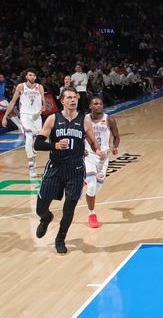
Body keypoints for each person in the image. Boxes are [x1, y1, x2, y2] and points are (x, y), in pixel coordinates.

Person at [34, 87, 104, 253]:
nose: (73, 100)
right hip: (55, 168)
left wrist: (98, 150)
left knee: (69, 208)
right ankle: (46, 218)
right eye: (69, 98)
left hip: (76, 169)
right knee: (40, 208)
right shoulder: (52, 119)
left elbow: (93, 142)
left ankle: (60, 238)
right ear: (62, 100)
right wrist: (54, 145)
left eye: (75, 98)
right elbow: (37, 144)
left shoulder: (84, 120)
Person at [84, 96, 120, 228]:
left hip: (103, 157)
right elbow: (78, 136)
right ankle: (92, 214)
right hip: (89, 155)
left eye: (100, 103)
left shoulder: (109, 119)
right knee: (92, 186)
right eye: (95, 103)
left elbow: (116, 136)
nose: (98, 105)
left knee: (97, 187)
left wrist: (115, 147)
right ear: (90, 106)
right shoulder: (85, 119)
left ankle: (86, 180)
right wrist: (81, 149)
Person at [2, 69, 45, 178]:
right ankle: (31, 166)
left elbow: (44, 105)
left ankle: (33, 160)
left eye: (34, 75)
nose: (32, 76)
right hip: (25, 116)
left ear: (35, 77)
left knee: (36, 143)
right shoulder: (21, 87)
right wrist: (5, 117)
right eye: (30, 75)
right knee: (29, 138)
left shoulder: (40, 87)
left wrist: (39, 112)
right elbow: (12, 102)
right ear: (26, 76)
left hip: (37, 117)